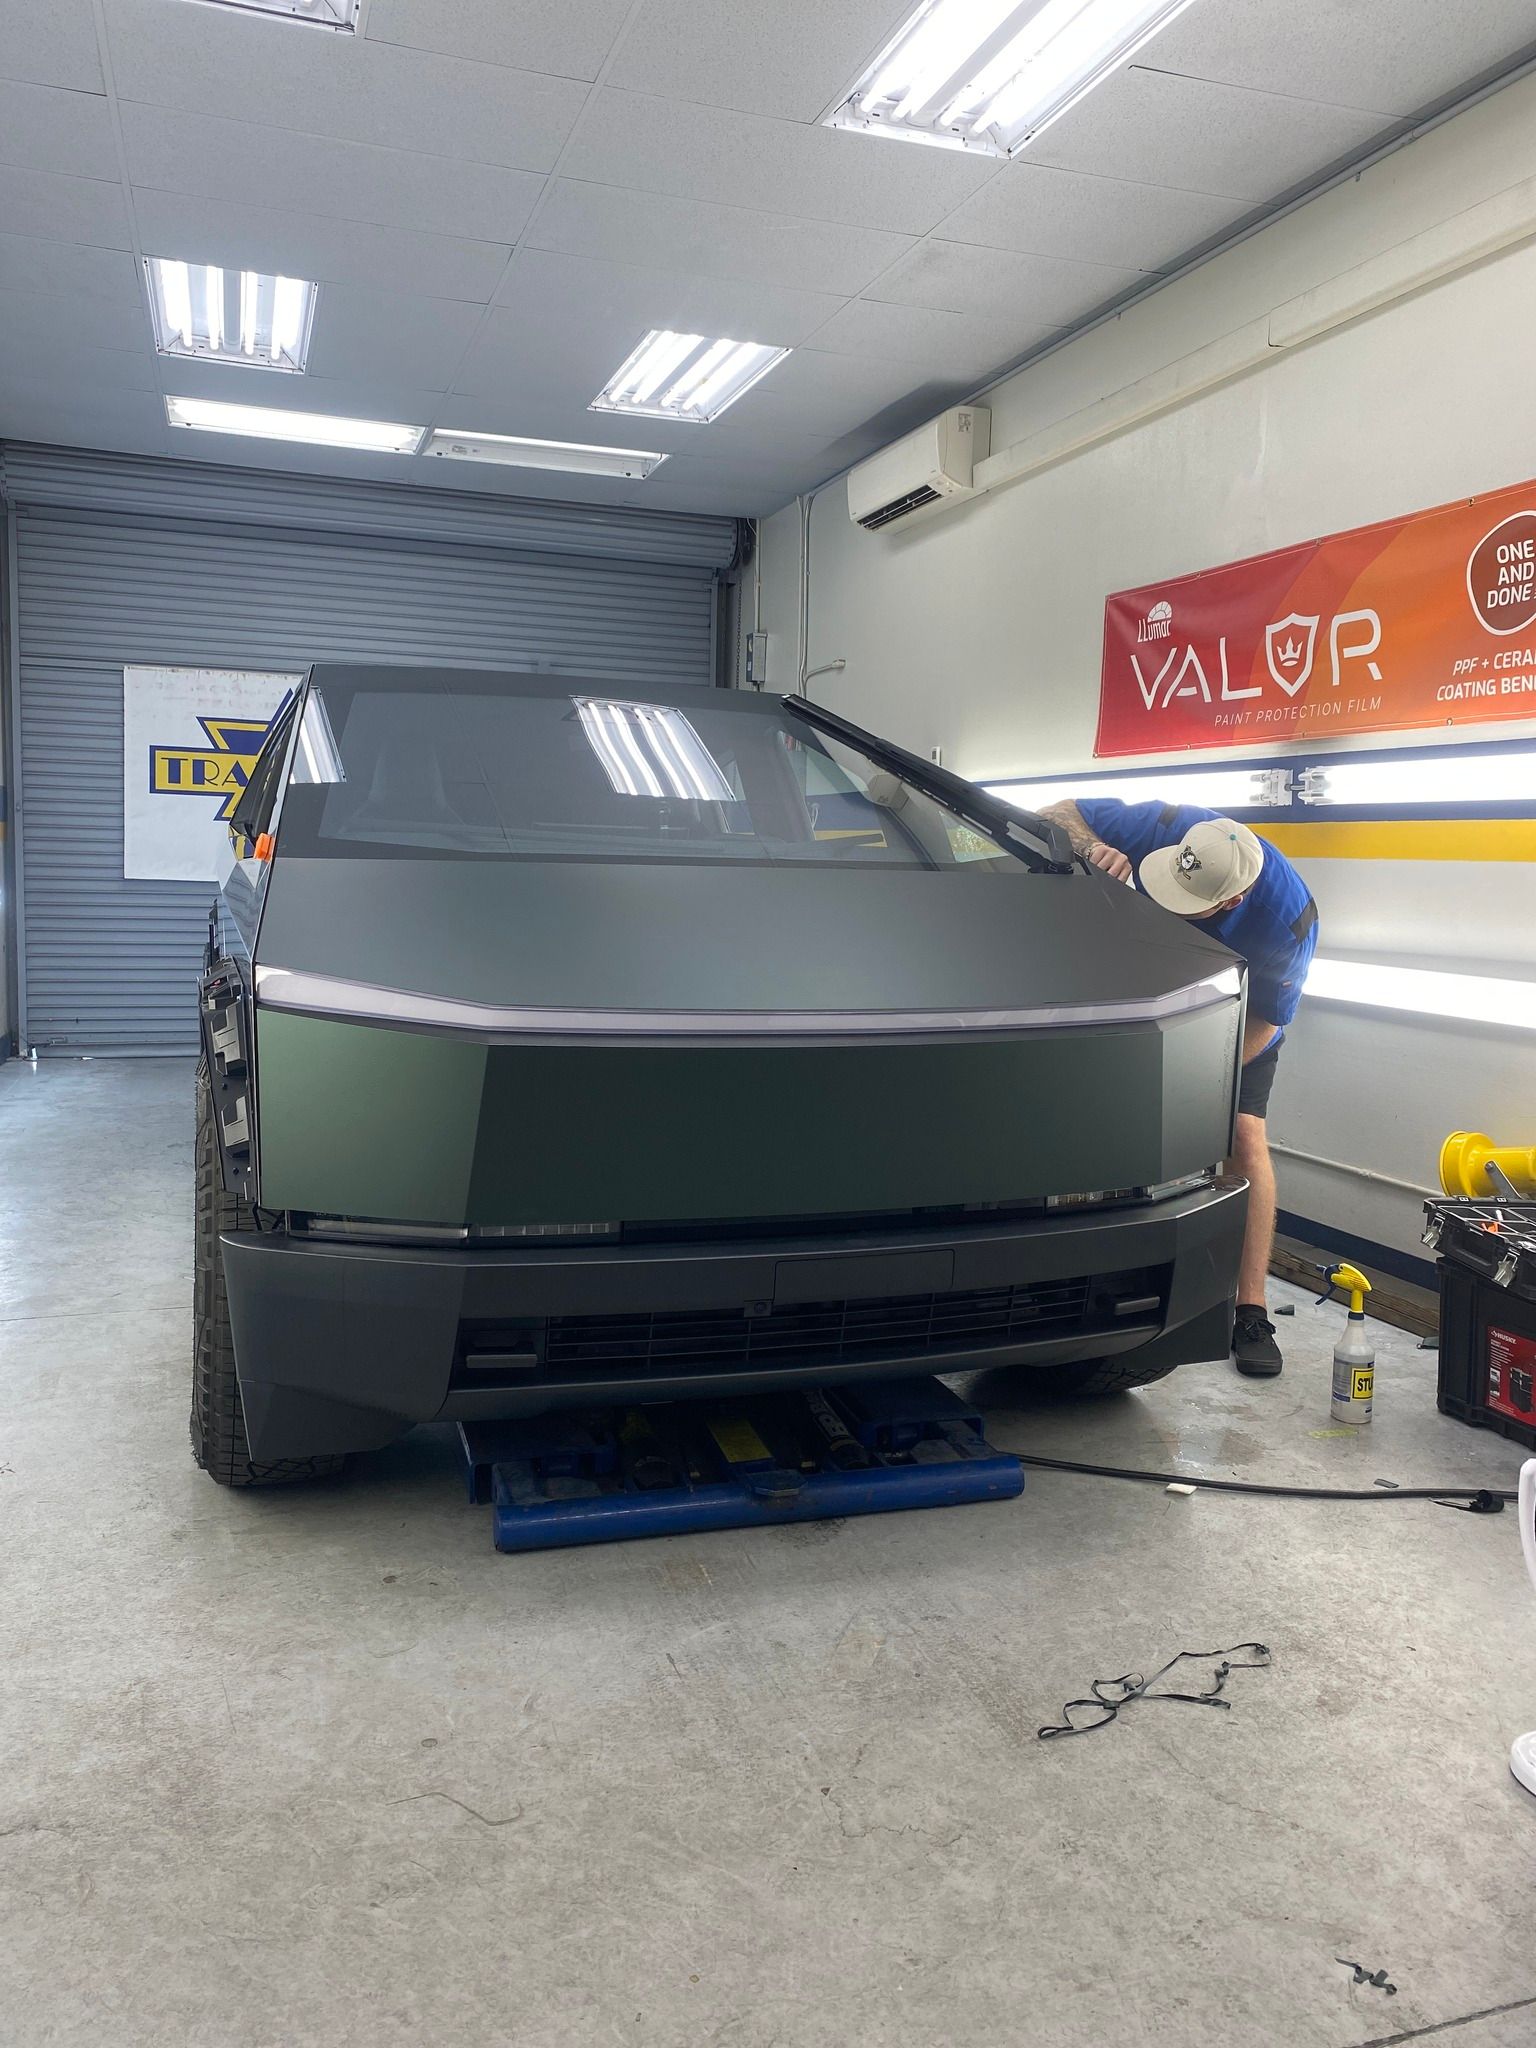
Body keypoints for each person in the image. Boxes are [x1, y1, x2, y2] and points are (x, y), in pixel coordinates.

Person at [1039, 797, 1318, 1378]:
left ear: (1233, 902)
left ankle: (1249, 1310)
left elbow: (1266, 1025)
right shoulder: (1173, 824)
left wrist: (1191, 1082)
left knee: (1243, 1138)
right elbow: (1054, 811)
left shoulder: (1287, 920)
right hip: (1129, 987)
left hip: (1232, 1019)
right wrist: (1091, 848)